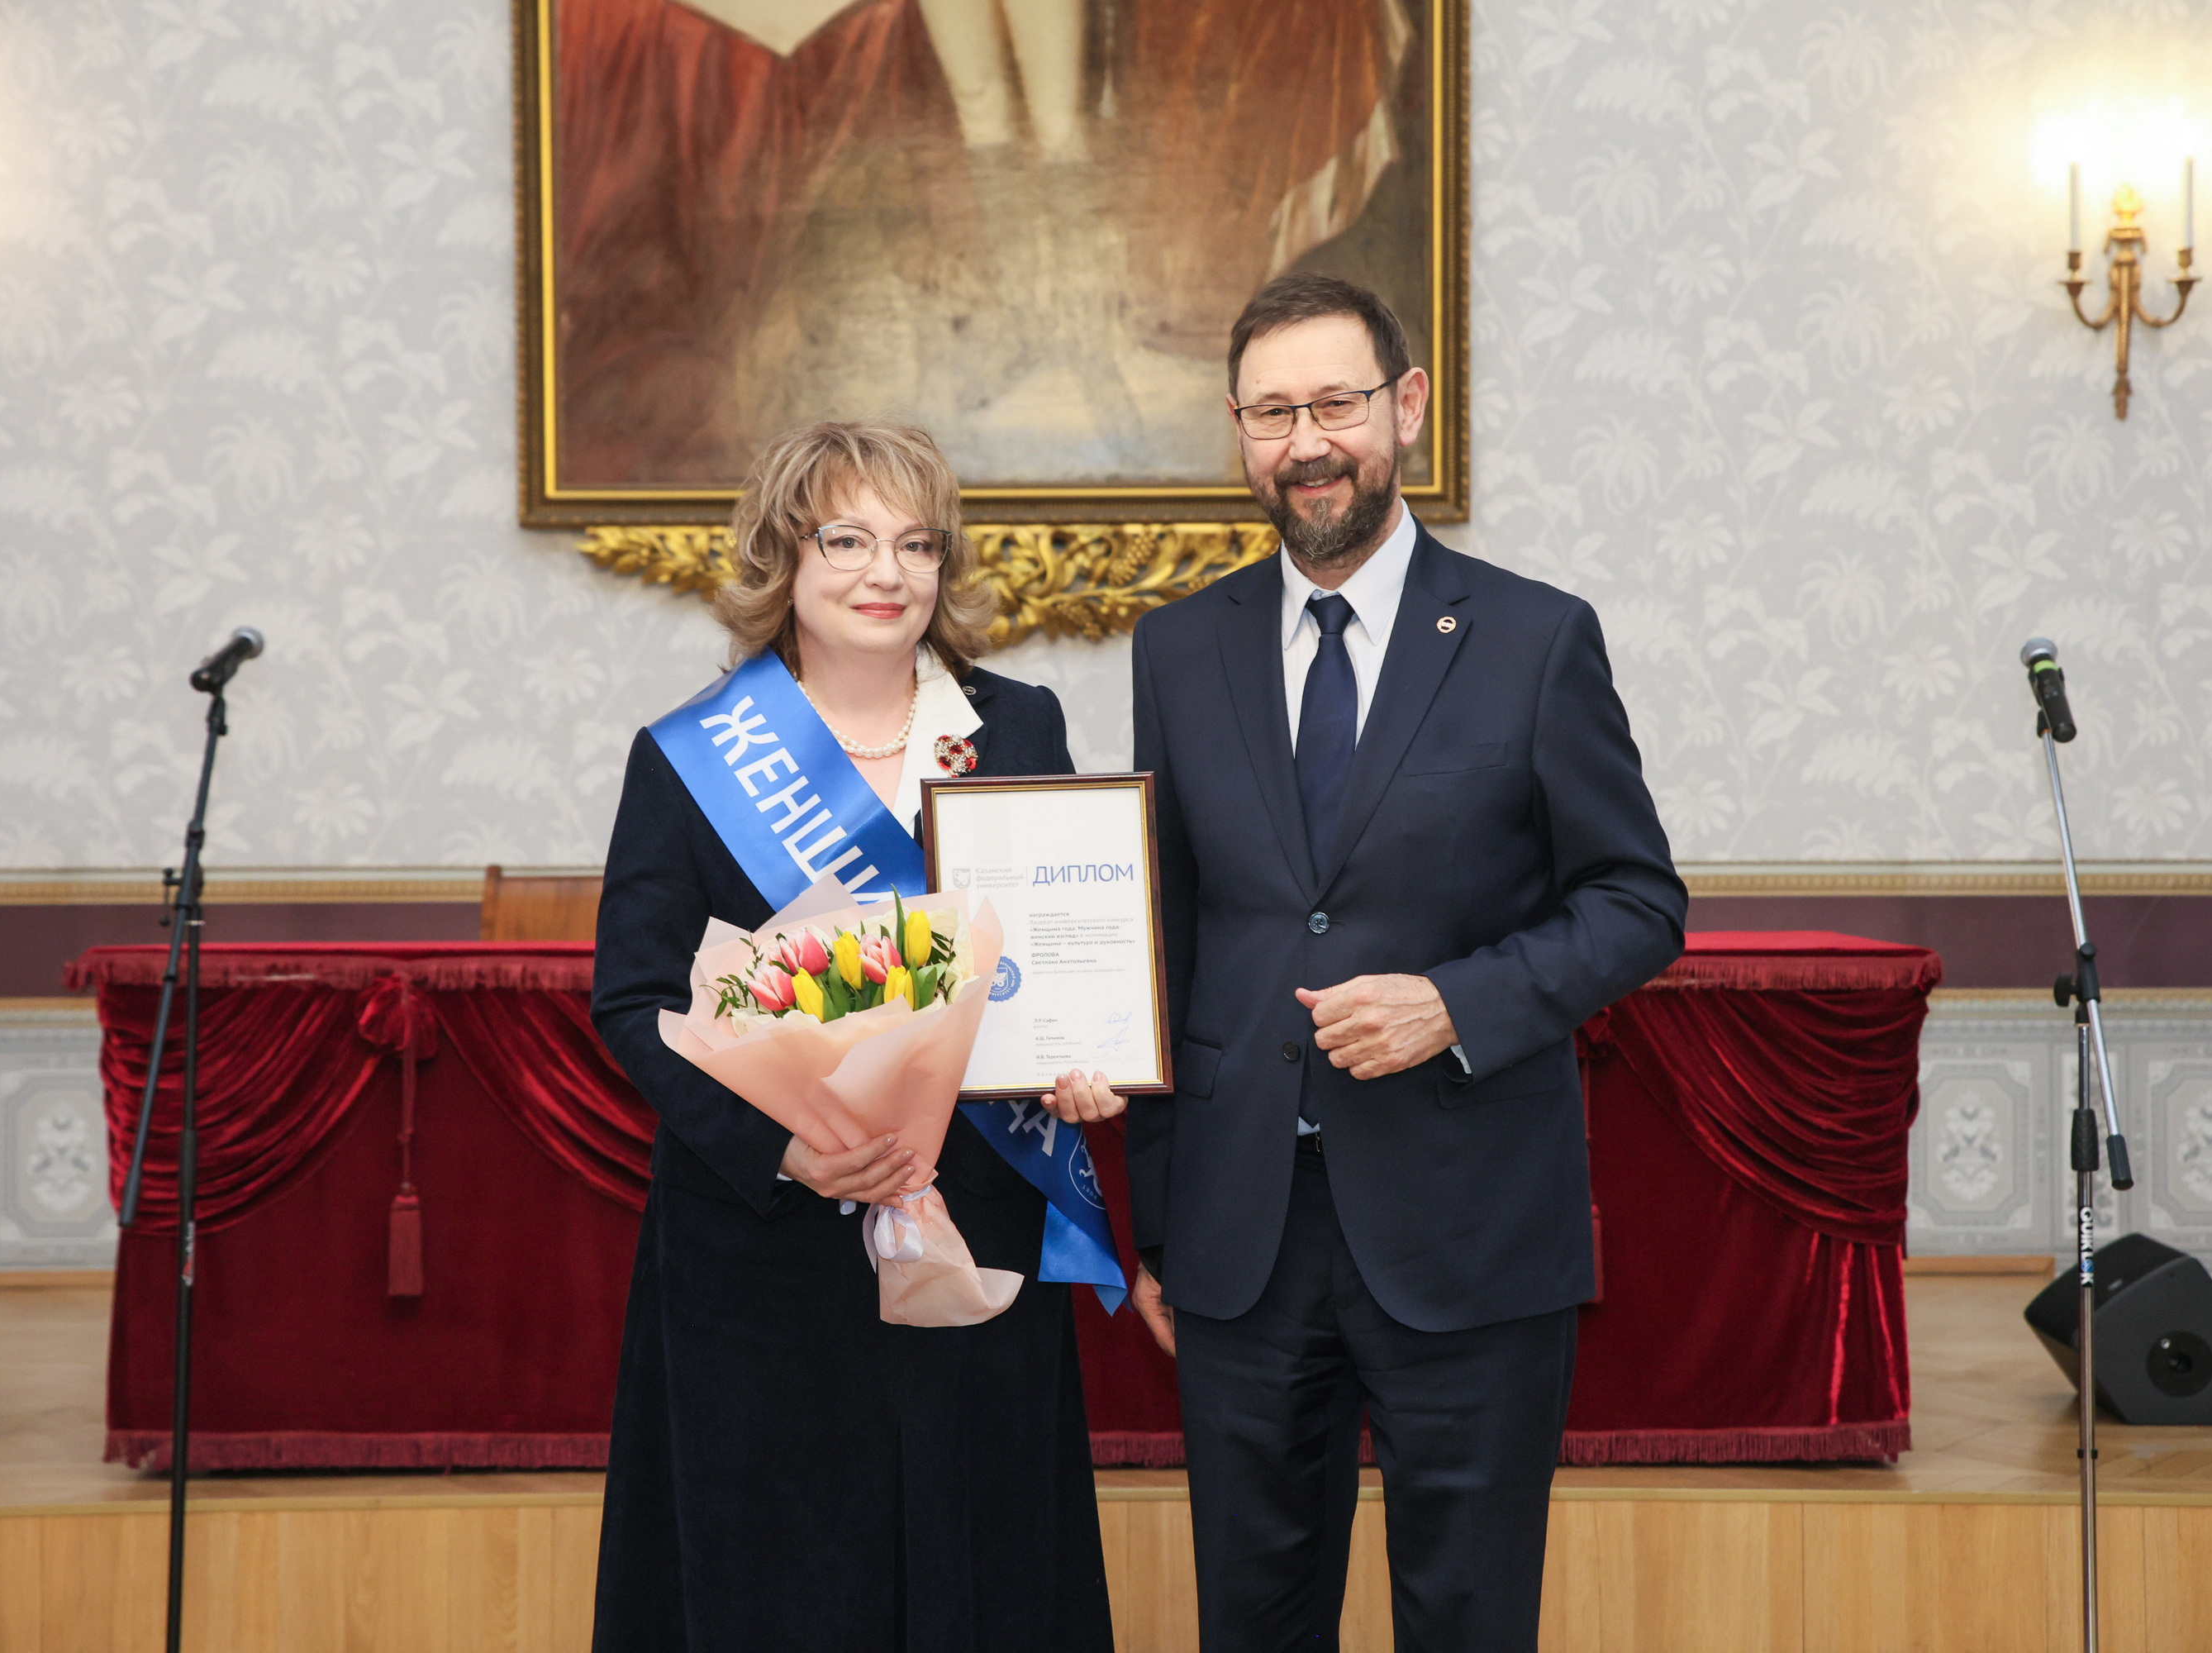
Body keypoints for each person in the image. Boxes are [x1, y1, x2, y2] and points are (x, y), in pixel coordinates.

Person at [1121, 275, 1687, 1651]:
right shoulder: (1178, 647)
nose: (1307, 442)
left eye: (1336, 403)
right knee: (1251, 1622)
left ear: (1407, 407)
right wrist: (1159, 1226)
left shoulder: (1535, 639)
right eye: (1272, 413)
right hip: (1243, 1240)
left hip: (1468, 1225)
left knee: (1468, 1617)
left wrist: (1455, 1002)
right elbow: (1166, 937)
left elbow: (1638, 902)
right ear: (1239, 430)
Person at [588, 419, 1121, 1651]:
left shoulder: (1019, 728)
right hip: (766, 1260)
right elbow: (634, 1001)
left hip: (979, 1222)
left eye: (917, 544)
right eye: (847, 540)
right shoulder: (691, 758)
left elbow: (1060, 949)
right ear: (784, 554)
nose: (888, 572)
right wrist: (786, 1151)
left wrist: (1085, 1058)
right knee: (783, 1589)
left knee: (983, 1572)